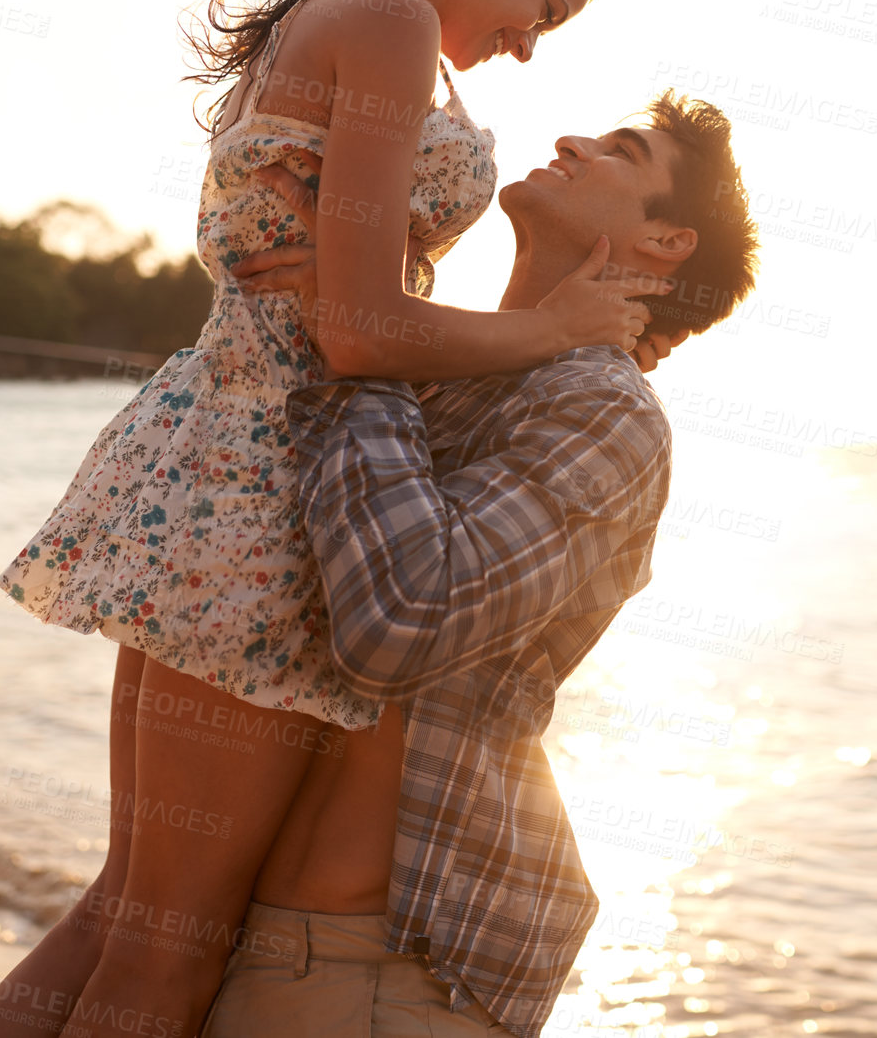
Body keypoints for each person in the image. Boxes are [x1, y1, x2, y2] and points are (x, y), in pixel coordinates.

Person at [0, 0, 668, 1038]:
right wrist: (550, 331)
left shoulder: (345, 19)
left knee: (122, 917)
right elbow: (354, 328)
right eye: (540, 8)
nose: (525, 45)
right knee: (168, 952)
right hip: (265, 497)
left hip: (215, 465)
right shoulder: (390, 27)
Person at [192, 88, 760, 1038]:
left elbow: (403, 619)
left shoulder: (607, 409)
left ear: (667, 245)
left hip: (380, 972)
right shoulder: (448, 361)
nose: (572, 139)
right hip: (271, 937)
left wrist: (357, 345)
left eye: (620, 150)